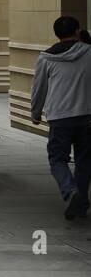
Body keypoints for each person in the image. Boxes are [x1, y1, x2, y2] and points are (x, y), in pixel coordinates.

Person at [30, 15, 91, 219]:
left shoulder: (46, 57)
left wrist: (35, 112)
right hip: (87, 115)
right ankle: (80, 202)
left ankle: (69, 190)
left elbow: (39, 88)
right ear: (77, 31)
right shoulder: (89, 51)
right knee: (84, 161)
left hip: (60, 116)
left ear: (56, 34)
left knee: (57, 158)